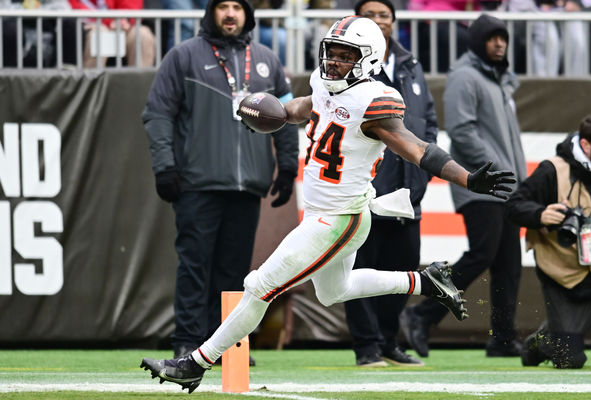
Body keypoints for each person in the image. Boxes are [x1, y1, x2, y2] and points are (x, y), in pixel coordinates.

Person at [140, 16, 515, 393]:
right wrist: (272, 113)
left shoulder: (375, 101)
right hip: (322, 213)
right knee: (333, 292)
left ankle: (195, 362)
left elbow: (417, 149)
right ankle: (424, 280)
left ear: (367, 60)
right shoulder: (325, 84)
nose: (334, 62)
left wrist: (467, 178)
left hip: (340, 218)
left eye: (345, 55)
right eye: (330, 52)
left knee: (258, 286)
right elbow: (306, 107)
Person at [141, 0, 299, 361]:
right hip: (198, 182)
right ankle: (188, 339)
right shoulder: (182, 56)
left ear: (248, 14)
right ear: (211, 12)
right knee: (195, 264)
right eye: (223, 6)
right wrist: (165, 167)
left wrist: (288, 168)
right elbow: (157, 115)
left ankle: (225, 345)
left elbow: (287, 118)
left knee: (234, 272)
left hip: (247, 186)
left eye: (237, 7)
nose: (230, 13)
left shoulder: (268, 60)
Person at [400, 14, 527, 358]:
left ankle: (502, 338)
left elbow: (509, 142)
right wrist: (499, 172)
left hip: (504, 186)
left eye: (503, 38)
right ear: (478, 42)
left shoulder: (501, 83)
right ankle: (421, 314)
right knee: (482, 253)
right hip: (479, 184)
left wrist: (520, 184)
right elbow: (462, 131)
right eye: (492, 38)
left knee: (508, 263)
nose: (500, 43)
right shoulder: (464, 76)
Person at [342, 0, 438, 368]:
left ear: (394, 22)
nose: (379, 21)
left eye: (385, 15)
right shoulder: (348, 65)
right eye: (370, 15)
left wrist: (422, 173)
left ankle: (388, 341)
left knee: (402, 268)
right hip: (365, 189)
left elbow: (427, 121)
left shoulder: (410, 64)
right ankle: (366, 346)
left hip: (407, 190)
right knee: (359, 267)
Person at [506, 112, 591, 369]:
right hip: (560, 267)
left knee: (569, 339)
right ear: (585, 144)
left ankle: (558, 334)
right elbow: (514, 205)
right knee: (569, 358)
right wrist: (540, 214)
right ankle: (537, 345)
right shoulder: (553, 168)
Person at [69, 0, 156, 67]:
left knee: (143, 35)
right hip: (85, 24)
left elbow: (131, 6)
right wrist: (109, 21)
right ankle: (89, 88)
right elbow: (72, 6)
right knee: (99, 34)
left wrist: (124, 20)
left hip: (118, 25)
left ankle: (142, 88)